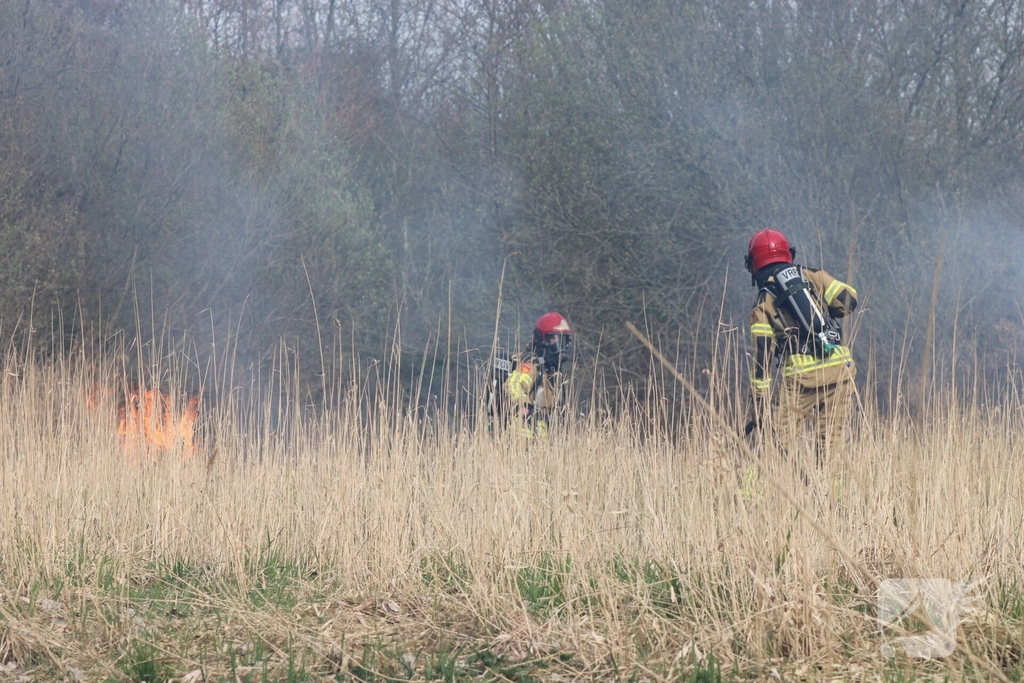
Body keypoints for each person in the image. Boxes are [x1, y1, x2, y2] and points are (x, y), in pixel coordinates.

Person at [744, 229, 858, 465]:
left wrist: (758, 399)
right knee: (832, 445)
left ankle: (752, 497)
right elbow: (848, 301)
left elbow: (763, 355)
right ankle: (834, 500)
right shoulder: (811, 275)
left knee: (775, 446)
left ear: (753, 264)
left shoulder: (763, 301)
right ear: (789, 254)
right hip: (840, 369)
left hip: (801, 378)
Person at [487, 312, 574, 436]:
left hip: (542, 440)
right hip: (523, 436)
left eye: (563, 340)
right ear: (542, 339)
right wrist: (525, 406)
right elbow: (513, 385)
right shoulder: (532, 362)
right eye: (555, 338)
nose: (560, 345)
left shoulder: (551, 371)